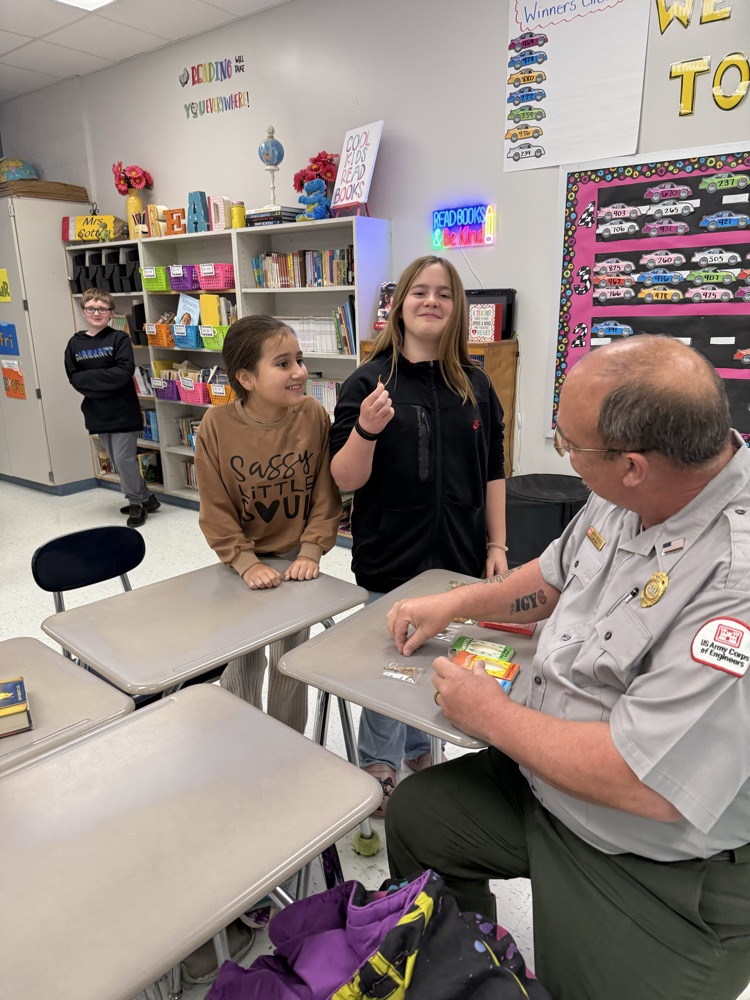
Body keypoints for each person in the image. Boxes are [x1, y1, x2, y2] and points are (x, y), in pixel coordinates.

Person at [383, 335, 750, 1000]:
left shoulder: (734, 579)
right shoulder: (639, 487)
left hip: (651, 856)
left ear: (632, 465)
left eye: (569, 444)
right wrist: (456, 603)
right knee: (419, 817)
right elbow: (555, 574)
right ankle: (467, 969)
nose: (566, 456)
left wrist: (490, 715)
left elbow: (645, 781)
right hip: (545, 781)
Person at [330, 255, 507, 815]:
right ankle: (378, 762)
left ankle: (418, 744)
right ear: (399, 305)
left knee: (437, 657)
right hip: (390, 554)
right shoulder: (368, 382)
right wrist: (367, 430)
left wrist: (496, 545)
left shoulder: (476, 384)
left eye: (444, 294)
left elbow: (493, 469)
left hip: (457, 554)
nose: (431, 301)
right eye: (420, 292)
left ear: (458, 310)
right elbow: (345, 479)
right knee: (390, 664)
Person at [194, 315, 342, 734]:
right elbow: (215, 509)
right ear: (246, 378)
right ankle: (241, 737)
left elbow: (325, 493)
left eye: (299, 360)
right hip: (241, 565)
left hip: (297, 562)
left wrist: (311, 550)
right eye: (282, 364)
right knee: (242, 657)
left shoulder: (312, 414)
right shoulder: (216, 426)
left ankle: (287, 742)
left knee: (290, 661)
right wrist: (245, 562)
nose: (299, 372)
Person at [64, 288, 160, 527]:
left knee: (125, 459)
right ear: (84, 311)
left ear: (111, 313)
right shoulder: (75, 343)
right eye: (91, 308)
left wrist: (92, 380)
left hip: (122, 409)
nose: (96, 313)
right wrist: (104, 379)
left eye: (102, 309)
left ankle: (136, 503)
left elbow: (123, 373)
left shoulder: (119, 339)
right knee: (117, 461)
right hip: (96, 411)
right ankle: (148, 498)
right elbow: (74, 378)